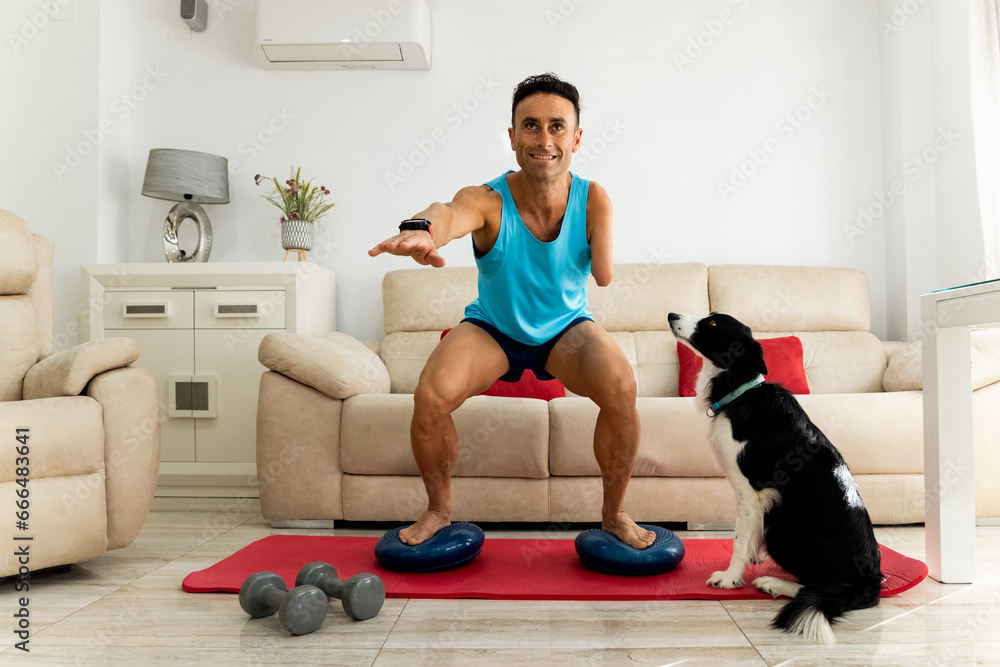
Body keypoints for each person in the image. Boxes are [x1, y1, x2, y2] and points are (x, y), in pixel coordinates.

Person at [369, 73, 655, 550]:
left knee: (622, 386)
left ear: (577, 137)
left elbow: (603, 276)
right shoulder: (488, 199)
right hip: (494, 330)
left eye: (557, 127)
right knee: (432, 395)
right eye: (531, 126)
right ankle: (438, 511)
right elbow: (450, 211)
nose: (544, 140)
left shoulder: (594, 198)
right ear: (512, 137)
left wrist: (595, 233)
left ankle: (614, 515)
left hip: (565, 330)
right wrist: (423, 228)